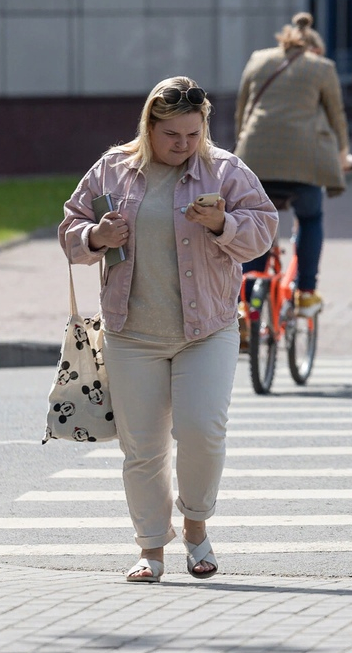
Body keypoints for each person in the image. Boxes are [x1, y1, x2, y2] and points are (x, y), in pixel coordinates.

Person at [59, 76, 279, 583]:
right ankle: (150, 549)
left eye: (193, 134)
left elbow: (264, 230)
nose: (183, 145)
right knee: (142, 447)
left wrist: (224, 224)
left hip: (207, 328)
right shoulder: (114, 168)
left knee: (202, 430)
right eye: (172, 135)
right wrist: (96, 235)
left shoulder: (223, 170)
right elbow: (70, 228)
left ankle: (197, 529)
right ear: (149, 127)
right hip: (131, 331)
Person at [234, 12, 352, 319]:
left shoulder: (259, 60)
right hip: (303, 163)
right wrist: (343, 157)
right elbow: (337, 118)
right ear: (315, 48)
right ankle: (305, 293)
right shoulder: (322, 68)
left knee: (257, 221)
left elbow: (242, 113)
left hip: (254, 160)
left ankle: (246, 304)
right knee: (311, 217)